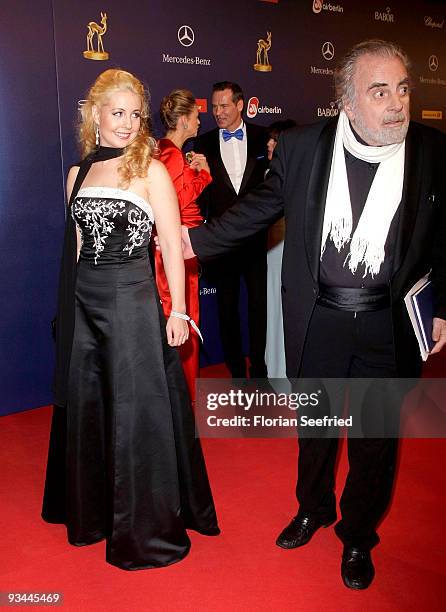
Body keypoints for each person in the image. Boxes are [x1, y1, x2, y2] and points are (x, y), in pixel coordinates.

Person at [180, 41, 446, 589]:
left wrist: (441, 305)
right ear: (347, 101)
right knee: (316, 428)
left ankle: (357, 536)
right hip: (319, 317)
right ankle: (313, 509)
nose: (397, 103)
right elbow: (257, 209)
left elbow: (444, 239)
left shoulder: (432, 151)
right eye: (379, 91)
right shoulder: (302, 148)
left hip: (386, 325)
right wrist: (188, 244)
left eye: (402, 89)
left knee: (375, 440)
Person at [42, 69, 219, 571]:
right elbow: (76, 250)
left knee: (135, 416)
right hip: (85, 307)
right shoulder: (77, 174)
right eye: (117, 113)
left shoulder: (151, 171)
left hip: (133, 306)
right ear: (94, 114)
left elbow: (169, 246)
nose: (127, 123)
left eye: (134, 115)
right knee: (89, 409)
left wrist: (179, 310)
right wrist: (68, 315)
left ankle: (144, 526)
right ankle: (93, 515)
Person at [194, 81, 269, 379]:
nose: (218, 112)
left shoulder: (264, 138)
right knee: (226, 307)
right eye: (214, 107)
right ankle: (236, 370)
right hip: (222, 239)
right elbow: (201, 193)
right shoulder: (204, 143)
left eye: (224, 105)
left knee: (257, 307)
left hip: (256, 238)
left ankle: (260, 368)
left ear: (240, 105)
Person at [155, 89, 211, 402]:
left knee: (179, 324)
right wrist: (203, 174)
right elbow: (174, 203)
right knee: (185, 322)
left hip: (174, 250)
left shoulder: (166, 152)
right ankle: (184, 401)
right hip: (178, 253)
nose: (200, 121)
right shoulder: (171, 155)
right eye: (196, 116)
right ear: (182, 120)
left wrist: (195, 172)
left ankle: (179, 398)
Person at [265, 120, 296, 379]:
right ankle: (275, 369)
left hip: (292, 252)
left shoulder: (298, 174)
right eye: (269, 140)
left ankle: (286, 373)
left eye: (275, 140)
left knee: (288, 313)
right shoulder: (268, 174)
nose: (269, 144)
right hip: (271, 253)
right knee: (273, 310)